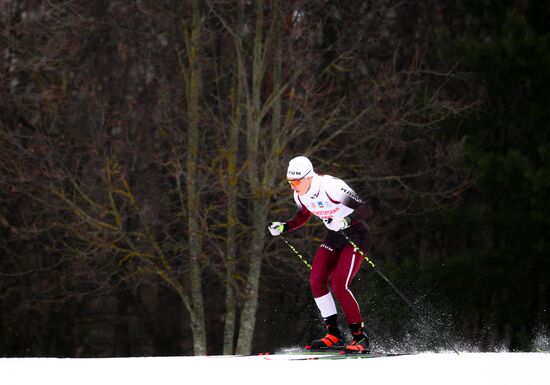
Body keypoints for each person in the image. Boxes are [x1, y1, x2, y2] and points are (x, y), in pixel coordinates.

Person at [268, 155, 373, 353]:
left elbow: (366, 208)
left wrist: (345, 222)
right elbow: (302, 216)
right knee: (316, 280)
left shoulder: (331, 186)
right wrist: (284, 227)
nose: (292, 186)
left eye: (296, 181)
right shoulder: (300, 194)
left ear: (309, 177)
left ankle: (361, 338)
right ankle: (334, 334)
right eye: (289, 182)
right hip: (334, 236)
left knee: (339, 284)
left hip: (356, 235)